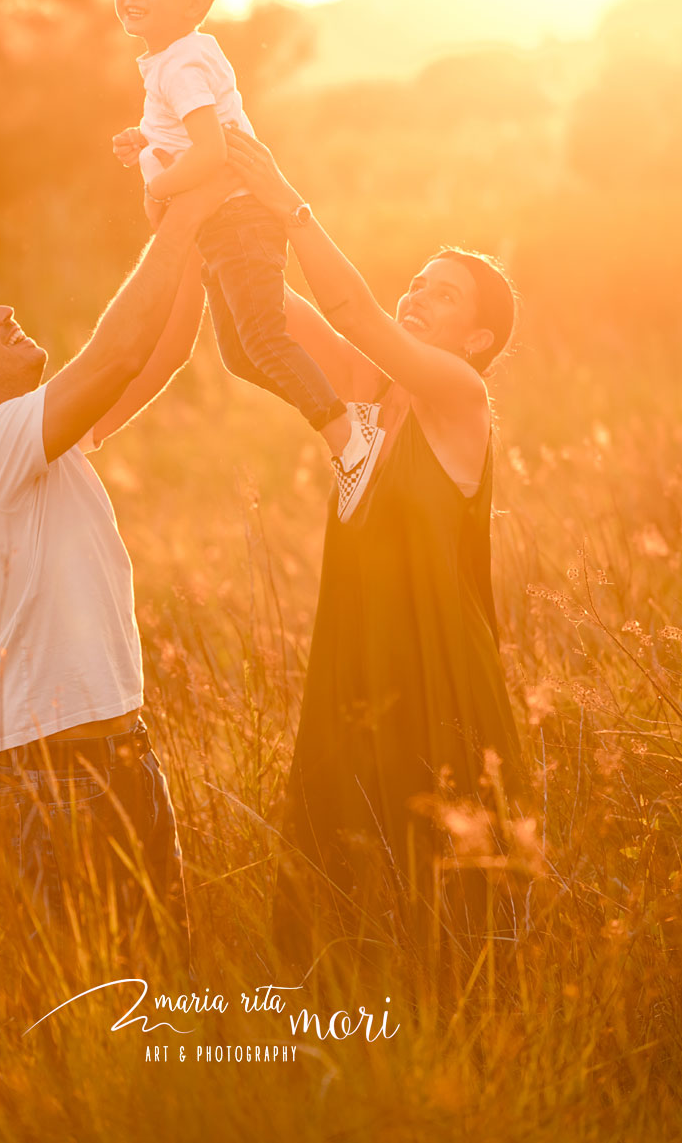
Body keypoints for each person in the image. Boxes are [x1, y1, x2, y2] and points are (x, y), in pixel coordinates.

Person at [0, 165, 230, 977]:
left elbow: (165, 350)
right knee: (93, 1005)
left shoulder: (45, 439)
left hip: (126, 759)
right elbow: (112, 358)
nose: (3, 309)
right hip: (53, 776)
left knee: (160, 990)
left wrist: (198, 234)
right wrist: (180, 218)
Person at [224, 127, 529, 969]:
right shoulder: (366, 394)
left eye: (444, 295)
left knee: (451, 920)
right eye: (417, 283)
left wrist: (289, 204)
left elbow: (351, 310)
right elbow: (259, 322)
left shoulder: (459, 395)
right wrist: (203, 204)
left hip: (439, 680)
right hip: (354, 676)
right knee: (351, 897)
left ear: (475, 340)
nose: (418, 296)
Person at [112, 0, 382, 522]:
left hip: (238, 219)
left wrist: (158, 181)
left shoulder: (180, 67)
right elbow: (188, 134)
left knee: (263, 338)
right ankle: (347, 413)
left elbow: (209, 152)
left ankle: (351, 441)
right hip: (228, 223)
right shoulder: (174, 60)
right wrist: (147, 140)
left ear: (194, 3)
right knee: (239, 354)